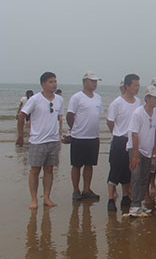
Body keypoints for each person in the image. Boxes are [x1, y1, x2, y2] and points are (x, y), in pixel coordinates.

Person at [16, 72, 63, 210]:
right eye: (51, 82)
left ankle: (47, 197)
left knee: (49, 170)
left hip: (53, 140)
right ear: (43, 84)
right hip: (38, 140)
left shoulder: (59, 100)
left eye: (55, 81)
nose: (54, 84)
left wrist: (60, 134)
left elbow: (59, 118)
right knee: (35, 170)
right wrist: (20, 135)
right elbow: (21, 115)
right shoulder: (35, 99)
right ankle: (34, 199)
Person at [106, 73, 141, 212]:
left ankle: (126, 196)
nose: (137, 88)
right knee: (115, 169)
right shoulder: (116, 103)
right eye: (135, 85)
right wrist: (117, 133)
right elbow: (110, 121)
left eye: (138, 85)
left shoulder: (138, 102)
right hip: (119, 140)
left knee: (128, 169)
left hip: (132, 141)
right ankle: (110, 198)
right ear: (127, 86)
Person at [65, 71, 103, 202]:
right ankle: (76, 190)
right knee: (76, 165)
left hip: (93, 137)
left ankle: (86, 189)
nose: (94, 84)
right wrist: (74, 129)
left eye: (96, 81)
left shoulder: (98, 98)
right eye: (92, 81)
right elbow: (70, 115)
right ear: (85, 82)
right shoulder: (77, 97)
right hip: (79, 137)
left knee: (89, 165)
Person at [126, 85, 156, 217]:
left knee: (145, 177)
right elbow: (134, 134)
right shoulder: (138, 113)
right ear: (147, 99)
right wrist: (136, 155)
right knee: (136, 176)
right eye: (155, 98)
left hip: (149, 150)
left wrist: (154, 151)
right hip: (136, 149)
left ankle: (140, 203)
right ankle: (134, 205)